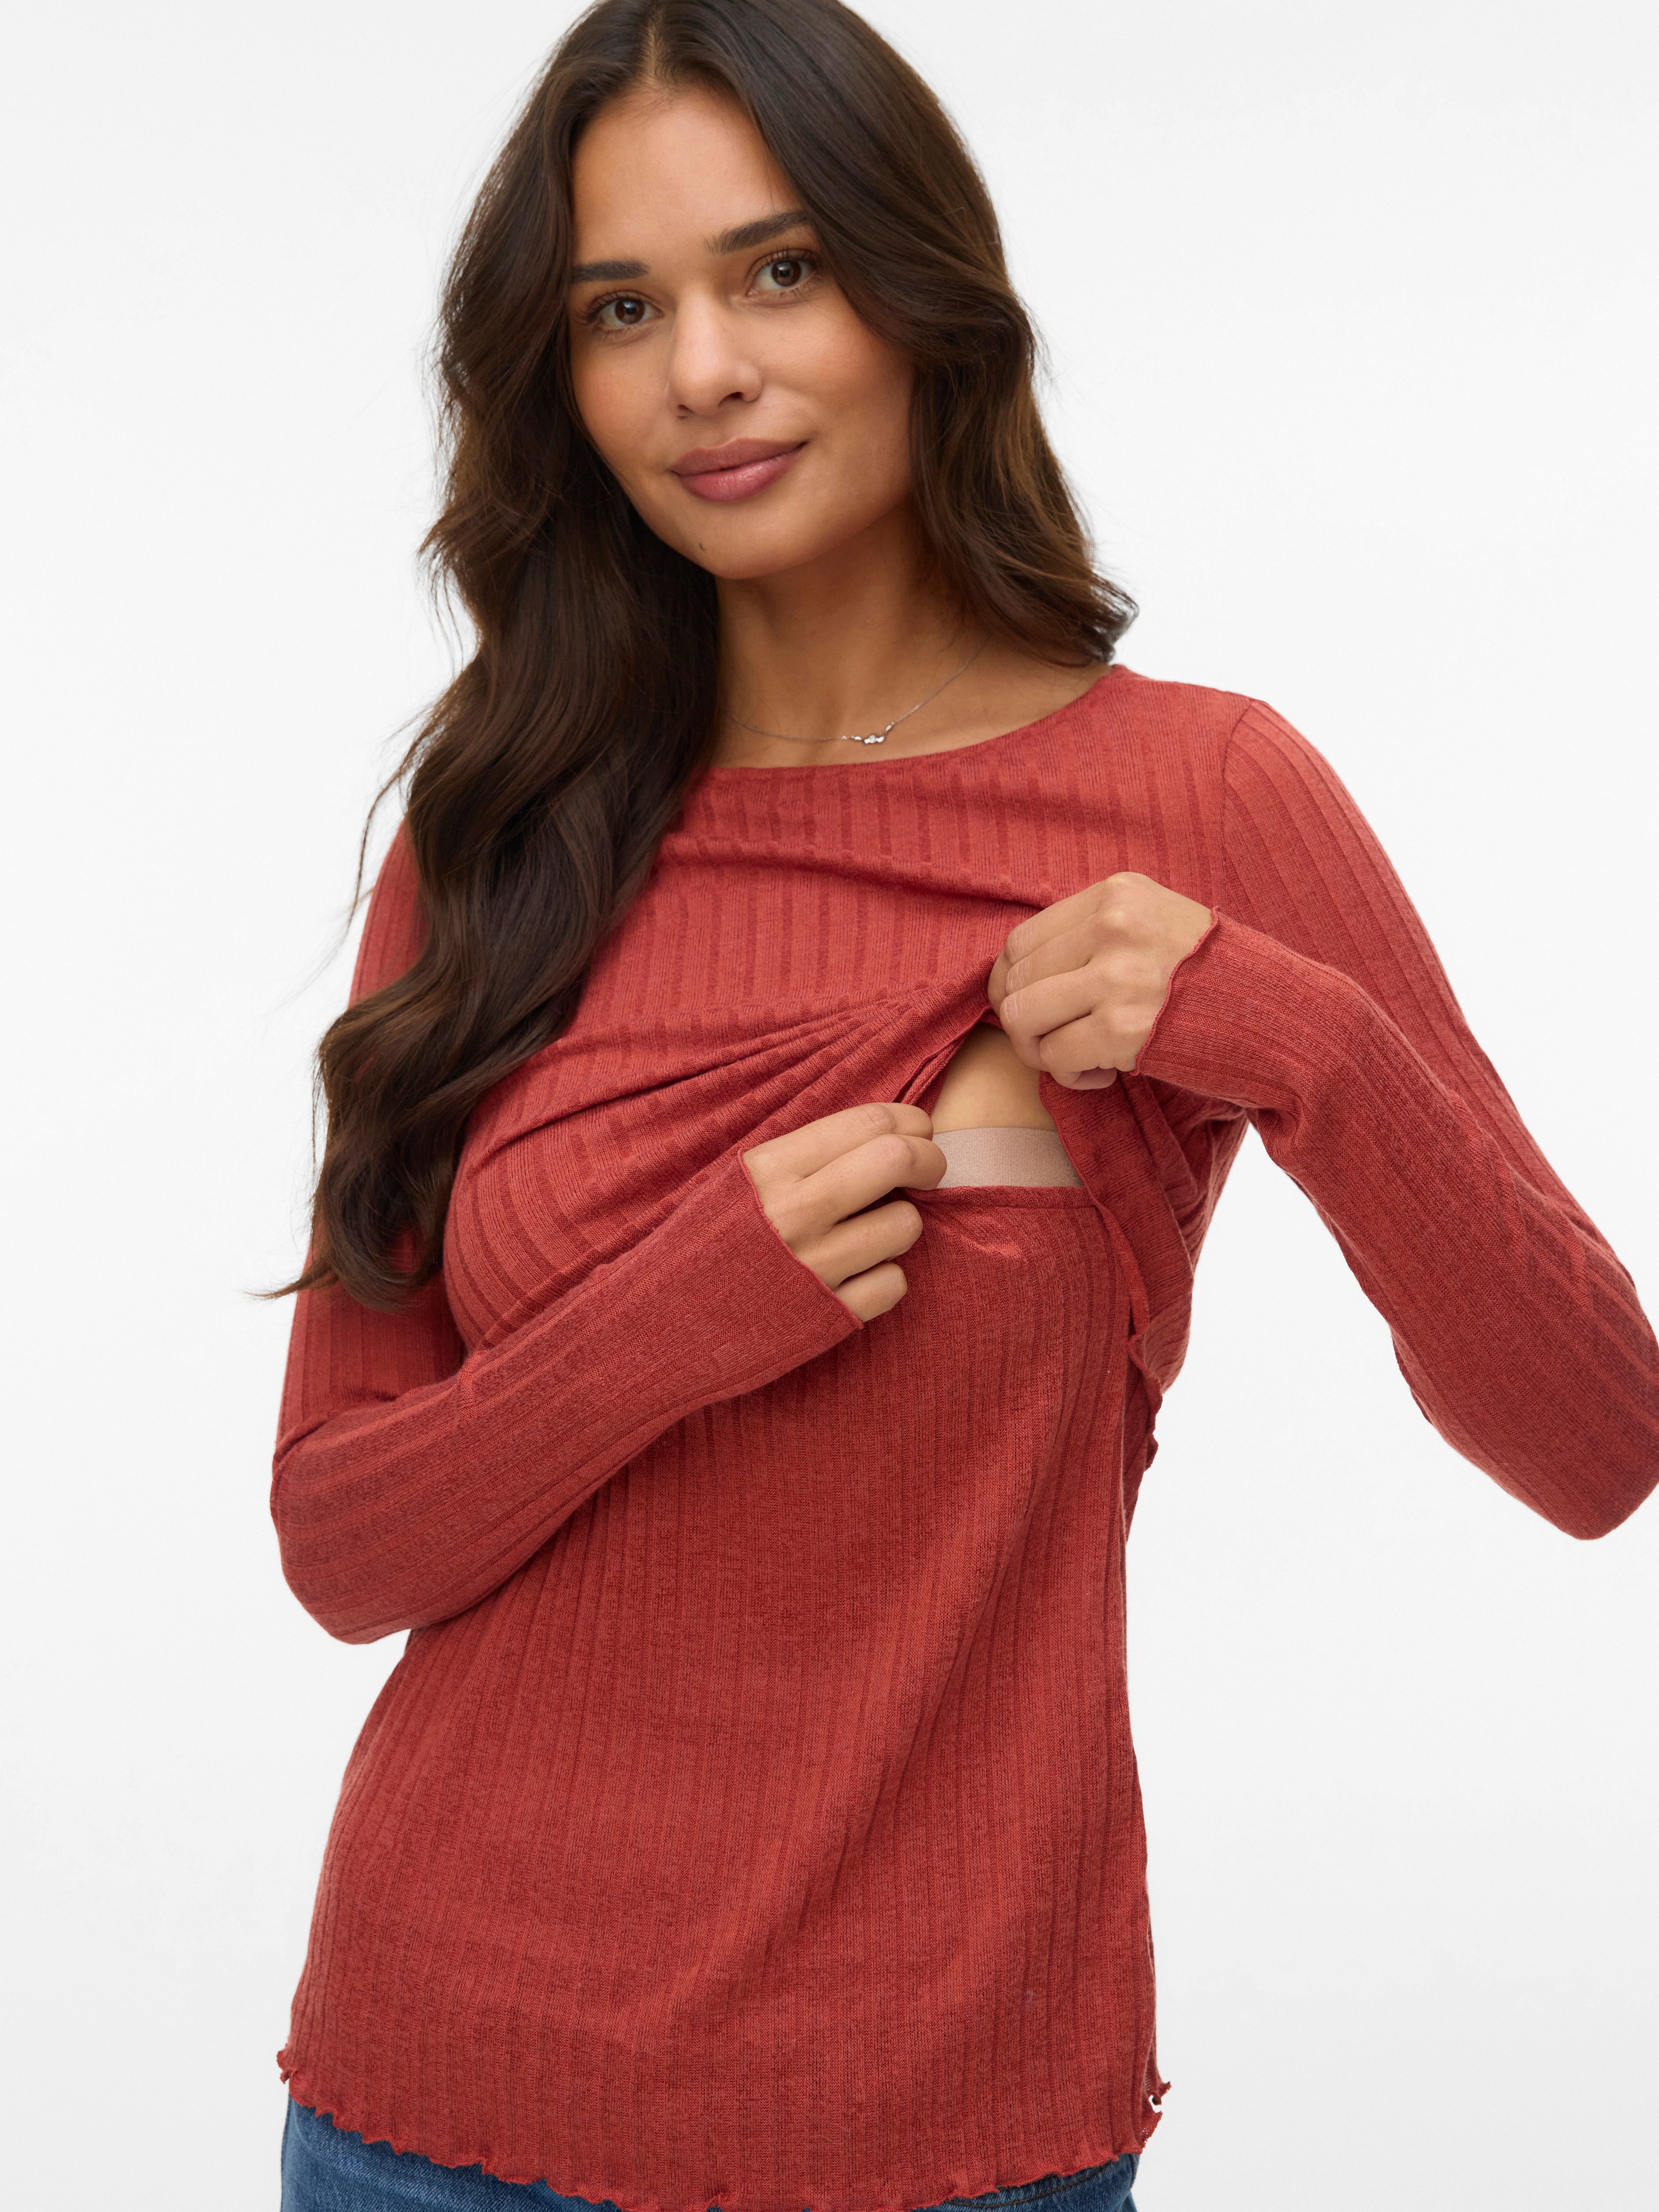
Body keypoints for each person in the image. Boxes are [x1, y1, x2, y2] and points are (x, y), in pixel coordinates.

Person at [268, 2, 1659, 2207]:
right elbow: (341, 1539)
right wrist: (671, 1319)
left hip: (947, 2124)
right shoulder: (498, 830)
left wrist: (1296, 1042)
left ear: (924, 295)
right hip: (431, 2105)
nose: (701, 369)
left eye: (778, 270)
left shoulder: (1203, 791)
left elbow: (1594, 1438)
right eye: (619, 309)